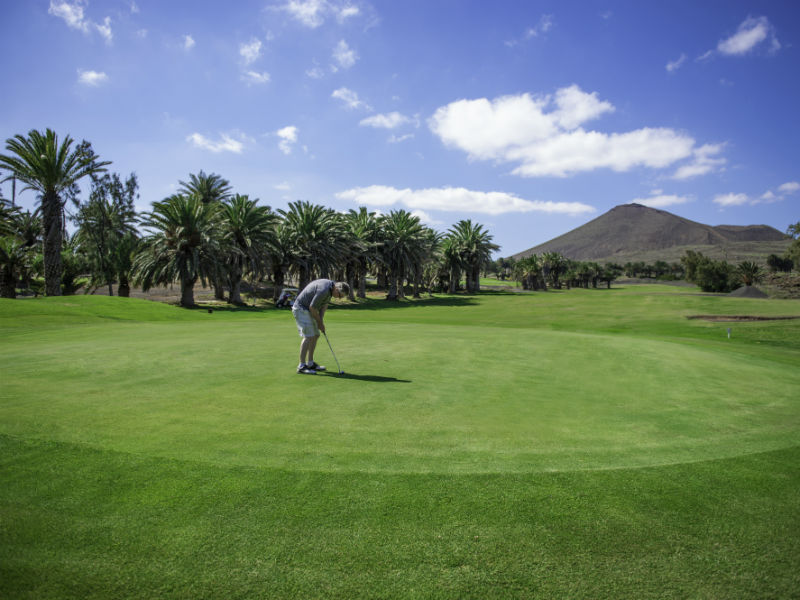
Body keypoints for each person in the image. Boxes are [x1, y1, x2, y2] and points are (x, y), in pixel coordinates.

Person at [291, 279, 349, 374]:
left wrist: (321, 320)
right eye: (339, 295)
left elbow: (324, 305)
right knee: (309, 336)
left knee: (316, 335)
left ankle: (310, 363)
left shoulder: (330, 289)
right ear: (336, 289)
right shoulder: (324, 290)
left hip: (308, 310)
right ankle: (301, 366)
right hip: (301, 309)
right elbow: (312, 307)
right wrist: (319, 323)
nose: (339, 298)